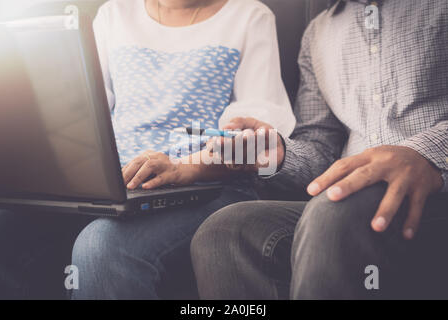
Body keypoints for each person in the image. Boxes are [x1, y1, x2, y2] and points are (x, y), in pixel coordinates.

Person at [191, 0, 448, 299]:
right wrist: (282, 156)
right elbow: (321, 149)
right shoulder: (318, 32)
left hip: (433, 197)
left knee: (336, 211)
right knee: (225, 231)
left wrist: (425, 153)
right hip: (340, 205)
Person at [69, 0, 295, 299]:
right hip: (120, 183)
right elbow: (80, 114)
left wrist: (184, 167)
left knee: (101, 245)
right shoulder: (114, 14)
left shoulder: (249, 16)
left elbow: (257, 142)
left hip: (209, 187)